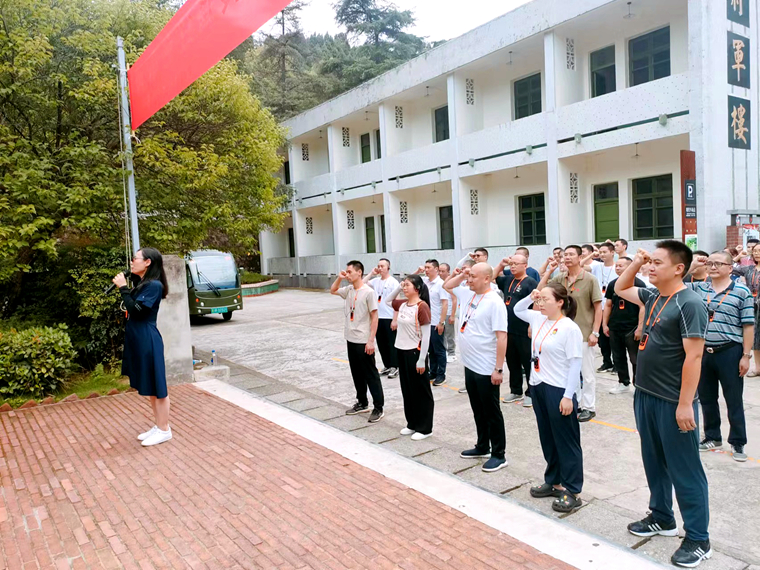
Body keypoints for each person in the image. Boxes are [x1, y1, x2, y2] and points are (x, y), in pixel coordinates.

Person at [615, 241, 711, 568]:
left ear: (679, 268)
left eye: (657, 262)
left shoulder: (689, 303)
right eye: (650, 262)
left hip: (673, 400)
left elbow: (694, 357)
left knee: (685, 470)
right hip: (646, 394)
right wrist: (636, 261)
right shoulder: (654, 296)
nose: (650, 267)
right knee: (654, 461)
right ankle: (662, 516)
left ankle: (698, 538)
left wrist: (685, 405)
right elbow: (621, 287)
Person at [515, 284, 584, 513]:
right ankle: (554, 481)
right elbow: (517, 309)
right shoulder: (538, 319)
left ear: (560, 302)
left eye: (545, 299)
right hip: (538, 386)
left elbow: (575, 364)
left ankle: (572, 490)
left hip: (559, 389)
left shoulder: (569, 328)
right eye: (539, 299)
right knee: (548, 437)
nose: (540, 303)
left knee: (566, 441)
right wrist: (530, 296)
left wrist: (568, 396)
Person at [686, 252, 752, 462]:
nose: (713, 267)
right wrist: (693, 265)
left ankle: (738, 441)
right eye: (710, 263)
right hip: (704, 351)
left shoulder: (741, 292)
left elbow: (748, 326)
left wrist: (746, 355)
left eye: (718, 264)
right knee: (706, 398)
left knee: (733, 399)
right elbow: (673, 283)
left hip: (730, 351)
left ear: (730, 268)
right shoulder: (699, 288)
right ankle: (713, 436)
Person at [444, 263, 509, 473]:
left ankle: (499, 454)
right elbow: (447, 285)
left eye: (473, 276)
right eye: (469, 276)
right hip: (470, 364)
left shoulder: (495, 302)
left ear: (487, 279)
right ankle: (482, 445)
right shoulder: (467, 293)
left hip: (486, 366)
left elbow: (502, 337)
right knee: (478, 409)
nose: (469, 280)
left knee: (491, 412)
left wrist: (498, 369)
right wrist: (462, 274)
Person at [112, 247, 171, 447]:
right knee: (151, 387)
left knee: (158, 387)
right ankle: (159, 425)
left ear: (147, 262)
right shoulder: (144, 283)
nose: (131, 262)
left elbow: (136, 310)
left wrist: (123, 288)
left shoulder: (154, 285)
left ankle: (164, 430)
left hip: (148, 339)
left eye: (135, 258)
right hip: (139, 338)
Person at [539, 245, 603, 422]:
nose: (566, 257)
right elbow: (541, 290)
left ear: (580, 257)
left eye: (570, 255)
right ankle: (576, 402)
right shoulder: (560, 278)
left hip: (584, 333)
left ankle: (588, 407)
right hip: (561, 333)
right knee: (569, 372)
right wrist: (548, 271)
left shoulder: (589, 279)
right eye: (564, 255)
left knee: (587, 373)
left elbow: (598, 308)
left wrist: (595, 332)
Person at [330, 261, 385, 423]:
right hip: (351, 337)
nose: (347, 274)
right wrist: (339, 278)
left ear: (359, 272)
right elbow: (333, 290)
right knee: (356, 373)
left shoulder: (369, 292)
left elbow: (375, 316)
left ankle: (378, 407)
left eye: (349, 272)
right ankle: (362, 402)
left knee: (371, 374)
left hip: (363, 339)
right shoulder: (349, 290)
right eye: (346, 272)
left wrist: (371, 340)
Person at [386, 275, 434, 440]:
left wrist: (421, 359)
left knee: (421, 391)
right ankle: (412, 423)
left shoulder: (422, 306)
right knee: (407, 389)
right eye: (403, 285)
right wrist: (398, 287)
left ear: (417, 288)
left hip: (415, 352)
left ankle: (425, 428)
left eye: (407, 285)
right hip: (401, 351)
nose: (404, 288)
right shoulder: (403, 304)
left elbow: (426, 336)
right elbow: (387, 300)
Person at [494, 254, 538, 407]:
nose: (512, 266)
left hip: (524, 329)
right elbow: (492, 277)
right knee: (512, 362)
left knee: (528, 362)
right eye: (511, 264)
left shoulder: (530, 282)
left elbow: (536, 303)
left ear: (525, 265)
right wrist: (501, 264)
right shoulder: (508, 280)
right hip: (508, 328)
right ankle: (515, 390)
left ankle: (531, 392)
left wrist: (532, 324)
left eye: (516, 264)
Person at [603, 257, 645, 394]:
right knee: (618, 356)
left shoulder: (639, 284)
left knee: (635, 359)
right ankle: (623, 383)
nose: (617, 268)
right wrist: (605, 324)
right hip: (615, 327)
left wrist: (640, 327)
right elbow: (608, 305)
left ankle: (638, 386)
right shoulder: (613, 284)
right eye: (617, 265)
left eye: (621, 266)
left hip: (632, 327)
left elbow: (643, 307)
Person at [414, 260, 449, 386]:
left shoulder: (441, 284)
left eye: (429, 267)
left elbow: (445, 304)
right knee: (430, 350)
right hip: (425, 322)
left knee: (439, 350)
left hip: (436, 322)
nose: (426, 270)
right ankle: (433, 372)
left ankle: (441, 374)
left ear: (436, 269)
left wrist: (441, 322)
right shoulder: (425, 281)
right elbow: (410, 280)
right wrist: (418, 271)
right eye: (425, 267)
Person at [364, 259, 400, 378]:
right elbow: (362, 283)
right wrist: (371, 273)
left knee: (391, 343)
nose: (380, 268)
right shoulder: (375, 281)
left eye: (382, 266)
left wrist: (395, 319)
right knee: (381, 343)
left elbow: (397, 302)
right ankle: (387, 365)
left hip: (389, 317)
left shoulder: (393, 282)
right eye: (378, 266)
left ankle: (395, 366)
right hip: (378, 317)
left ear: (388, 268)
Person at [732, 242, 760, 376]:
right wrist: (738, 256)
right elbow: (729, 267)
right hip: (752, 305)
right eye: (755, 251)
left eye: (759, 250)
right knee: (756, 337)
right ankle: (758, 368)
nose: (757, 253)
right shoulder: (749, 269)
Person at [588, 243, 616, 373]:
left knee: (613, 338)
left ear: (612, 252)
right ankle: (607, 362)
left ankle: (617, 364)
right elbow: (580, 265)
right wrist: (591, 255)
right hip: (599, 307)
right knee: (602, 340)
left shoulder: (617, 267)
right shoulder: (596, 266)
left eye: (605, 252)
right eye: (600, 252)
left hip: (613, 307)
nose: (602, 254)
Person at [439, 263, 458, 363]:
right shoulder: (438, 282)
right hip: (440, 312)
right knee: (441, 334)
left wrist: (452, 315)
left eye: (443, 271)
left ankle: (452, 353)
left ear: (448, 272)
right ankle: (445, 351)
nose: (440, 273)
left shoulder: (451, 283)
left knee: (449, 334)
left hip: (449, 311)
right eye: (439, 271)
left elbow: (454, 299)